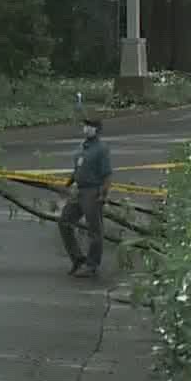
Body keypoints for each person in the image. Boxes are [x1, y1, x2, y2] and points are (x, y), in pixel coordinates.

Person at [59, 115, 113, 278]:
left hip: (93, 191)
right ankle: (78, 259)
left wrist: (103, 194)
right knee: (64, 222)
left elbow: (107, 174)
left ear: (97, 129)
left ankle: (92, 264)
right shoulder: (82, 146)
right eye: (85, 125)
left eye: (90, 126)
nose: (86, 128)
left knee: (94, 230)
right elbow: (78, 168)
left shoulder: (102, 149)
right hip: (79, 190)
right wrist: (68, 184)